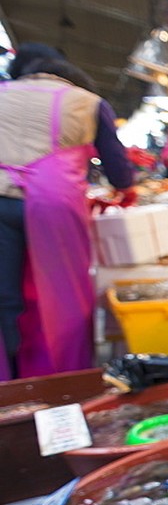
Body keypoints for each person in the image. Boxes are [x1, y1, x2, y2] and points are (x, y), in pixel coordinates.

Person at [0, 44, 135, 379]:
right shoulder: (87, 101)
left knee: (5, 296)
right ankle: (65, 378)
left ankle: (10, 381)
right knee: (66, 295)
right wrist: (124, 188)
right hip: (54, 201)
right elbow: (119, 172)